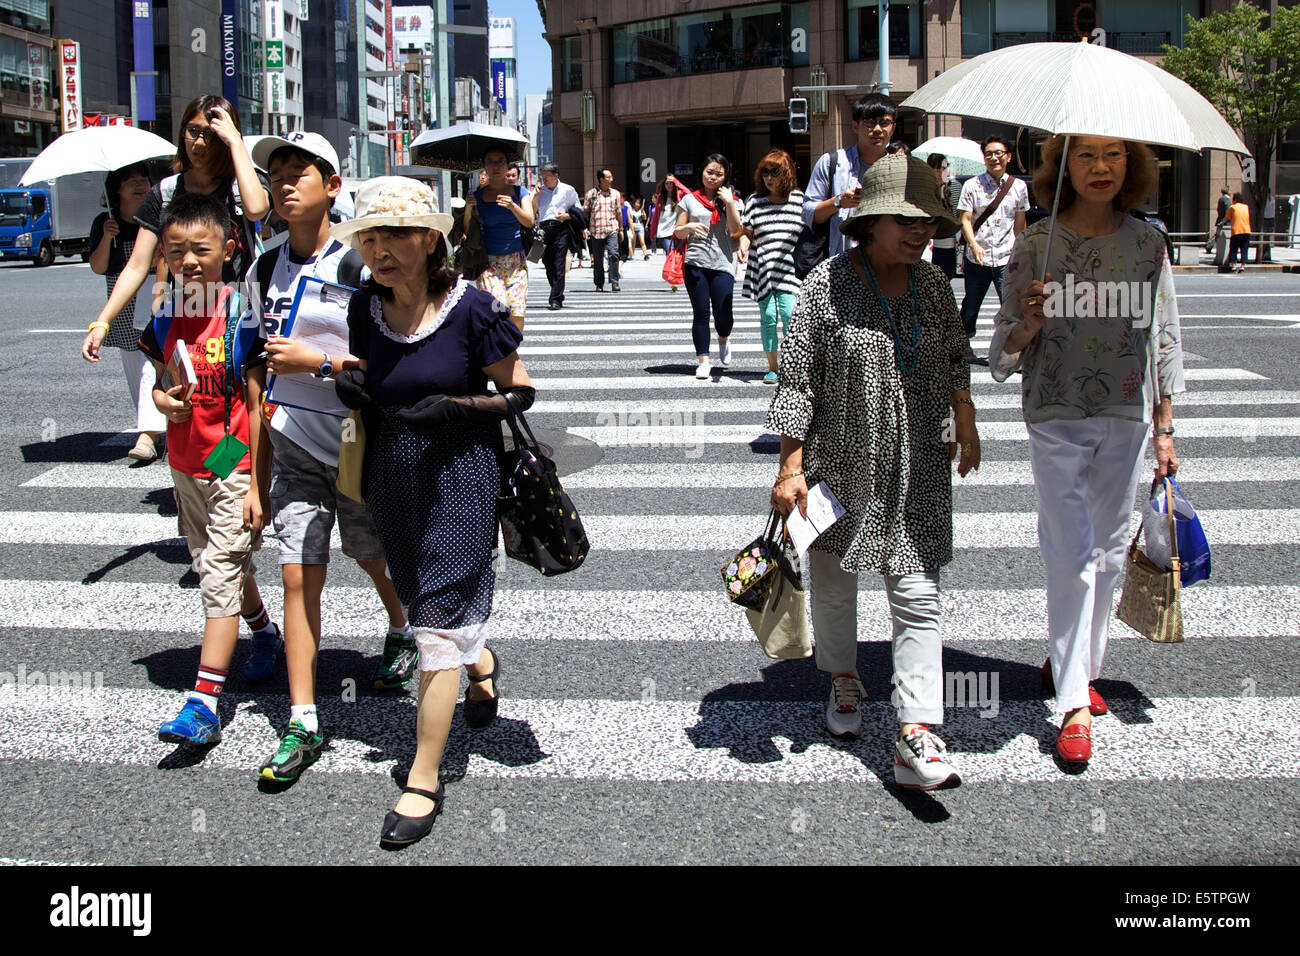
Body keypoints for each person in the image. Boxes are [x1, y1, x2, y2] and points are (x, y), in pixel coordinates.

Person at [328, 177, 535, 848]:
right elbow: (366, 376)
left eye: (394, 235)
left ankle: (423, 776)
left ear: (429, 240)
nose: (379, 249)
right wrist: (353, 383)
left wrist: (464, 407)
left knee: (437, 623)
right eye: (369, 237)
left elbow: (521, 389)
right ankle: (481, 668)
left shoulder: (472, 308)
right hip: (394, 474)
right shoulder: (366, 307)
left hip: (462, 472)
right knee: (422, 604)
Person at [767, 154, 979, 790]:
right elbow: (798, 381)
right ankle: (843, 677)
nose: (922, 234)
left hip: (917, 465)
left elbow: (953, 357)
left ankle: (916, 732)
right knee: (835, 585)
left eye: (930, 224)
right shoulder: (825, 285)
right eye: (908, 223)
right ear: (873, 220)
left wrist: (964, 417)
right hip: (840, 466)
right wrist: (789, 466)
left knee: (917, 594)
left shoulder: (936, 286)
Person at [988, 135, 1184, 767]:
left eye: (1115, 155)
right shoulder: (1033, 246)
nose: (1101, 168)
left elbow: (1164, 336)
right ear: (1062, 165)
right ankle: (1075, 700)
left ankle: (1073, 662)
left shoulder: (1149, 245)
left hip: (1125, 414)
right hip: (1054, 414)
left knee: (1106, 553)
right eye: (1086, 155)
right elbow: (999, 355)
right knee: (1070, 552)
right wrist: (1030, 320)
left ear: (1133, 166)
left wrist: (1165, 427)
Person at [234, 132, 413, 782]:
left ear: (332, 187)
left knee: (369, 554)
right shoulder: (260, 269)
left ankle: (402, 626)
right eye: (275, 173)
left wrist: (323, 361)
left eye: (298, 172)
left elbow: (395, 359)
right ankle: (303, 721)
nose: (283, 183)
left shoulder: (357, 267)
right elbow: (251, 371)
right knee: (296, 576)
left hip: (354, 446)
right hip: (291, 452)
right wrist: (253, 478)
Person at [139, 191, 279, 745]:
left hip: (231, 457)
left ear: (228, 247)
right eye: (177, 251)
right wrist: (162, 400)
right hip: (184, 459)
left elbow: (258, 400)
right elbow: (160, 377)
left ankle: (203, 705)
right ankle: (264, 633)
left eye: (201, 248)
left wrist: (255, 483)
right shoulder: (166, 312)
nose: (189, 261)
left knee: (217, 575)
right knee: (214, 563)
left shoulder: (243, 311)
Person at [84, 95, 271, 362]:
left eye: (211, 134)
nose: (199, 142)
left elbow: (256, 209)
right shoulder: (165, 192)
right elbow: (137, 265)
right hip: (185, 313)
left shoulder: (242, 184)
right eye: (193, 131)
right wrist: (102, 322)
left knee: (239, 399)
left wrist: (235, 142)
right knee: (182, 398)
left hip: (239, 314)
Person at [83, 162, 168, 462]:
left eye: (143, 179)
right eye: (131, 180)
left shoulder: (156, 218)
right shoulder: (104, 222)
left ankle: (148, 433)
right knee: (134, 368)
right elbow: (98, 267)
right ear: (116, 189)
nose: (140, 184)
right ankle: (153, 428)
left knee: (149, 363)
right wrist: (106, 236)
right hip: (121, 303)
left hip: (153, 294)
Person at [956, 136, 1029, 364]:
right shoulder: (972, 185)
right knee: (971, 304)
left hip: (1006, 257)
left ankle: (1013, 352)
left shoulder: (1018, 186)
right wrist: (974, 245)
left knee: (1011, 307)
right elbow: (965, 219)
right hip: (977, 258)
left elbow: (1020, 224)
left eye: (998, 153)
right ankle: (963, 345)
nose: (994, 157)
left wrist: (1022, 253)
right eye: (989, 154)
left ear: (1008, 157)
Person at [802, 92, 895, 262]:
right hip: (841, 265)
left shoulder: (900, 168)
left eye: (884, 123)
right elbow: (808, 213)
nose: (877, 129)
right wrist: (838, 202)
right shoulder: (831, 163)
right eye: (869, 122)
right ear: (855, 126)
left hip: (888, 264)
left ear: (893, 127)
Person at [738, 149, 804, 385]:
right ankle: (773, 368)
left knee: (790, 316)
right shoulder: (755, 201)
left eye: (774, 173)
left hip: (790, 268)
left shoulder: (799, 199)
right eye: (765, 172)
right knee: (767, 317)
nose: (769, 178)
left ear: (785, 174)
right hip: (763, 266)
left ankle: (794, 365)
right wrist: (743, 246)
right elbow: (747, 231)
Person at [676, 153, 742, 379]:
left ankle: (723, 337)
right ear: (702, 173)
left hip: (722, 263)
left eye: (719, 174)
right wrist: (690, 227)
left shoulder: (732, 199)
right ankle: (703, 360)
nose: (713, 177)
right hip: (695, 262)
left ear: (725, 176)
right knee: (701, 313)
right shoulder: (688, 199)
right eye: (709, 172)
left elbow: (735, 230)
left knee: (724, 314)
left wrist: (730, 202)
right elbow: (677, 231)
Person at [465, 148, 533, 331]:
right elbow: (466, 230)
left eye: (500, 161)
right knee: (496, 308)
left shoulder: (520, 192)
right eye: (490, 161)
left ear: (507, 165)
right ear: (484, 166)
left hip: (516, 262)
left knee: (517, 311)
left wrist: (513, 207)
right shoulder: (477, 196)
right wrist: (468, 209)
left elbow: (529, 221)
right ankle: (498, 350)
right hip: (488, 263)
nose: (495, 166)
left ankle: (512, 349)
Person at [532, 162, 581, 310]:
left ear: (556, 176)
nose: (544, 179)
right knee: (548, 263)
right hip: (544, 230)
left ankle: (555, 299)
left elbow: (577, 209)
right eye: (542, 176)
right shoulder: (538, 191)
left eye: (547, 176)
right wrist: (536, 196)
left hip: (561, 228)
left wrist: (567, 215)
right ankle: (557, 291)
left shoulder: (568, 190)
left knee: (559, 264)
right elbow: (532, 210)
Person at [582, 167, 625, 292]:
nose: (611, 179)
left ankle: (614, 282)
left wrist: (621, 229)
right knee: (598, 258)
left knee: (614, 254)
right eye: (609, 177)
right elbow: (585, 212)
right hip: (596, 230)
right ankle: (599, 283)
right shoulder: (591, 194)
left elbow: (619, 213)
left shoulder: (616, 194)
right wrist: (584, 228)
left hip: (612, 229)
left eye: (611, 177)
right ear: (601, 179)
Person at [925, 153, 959, 280]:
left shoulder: (954, 187)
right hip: (931, 242)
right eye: (936, 170)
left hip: (950, 241)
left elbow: (955, 214)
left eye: (943, 169)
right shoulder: (926, 188)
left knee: (947, 277)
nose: (940, 173)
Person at [652, 174, 687, 292]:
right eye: (667, 183)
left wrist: (677, 182)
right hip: (664, 232)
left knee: (682, 256)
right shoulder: (660, 197)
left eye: (671, 183)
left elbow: (689, 194)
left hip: (678, 231)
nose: (669, 185)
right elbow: (656, 216)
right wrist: (653, 232)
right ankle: (673, 280)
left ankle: (679, 276)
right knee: (670, 255)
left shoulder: (680, 196)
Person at [1227, 191, 1252, 273]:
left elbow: (1226, 218)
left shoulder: (1233, 207)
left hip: (1236, 231)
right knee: (1244, 249)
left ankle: (1233, 266)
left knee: (1234, 249)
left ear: (1235, 200)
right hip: (1247, 231)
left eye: (1233, 199)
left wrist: (1221, 223)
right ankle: (1242, 266)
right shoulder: (1246, 207)